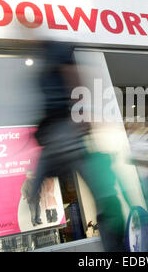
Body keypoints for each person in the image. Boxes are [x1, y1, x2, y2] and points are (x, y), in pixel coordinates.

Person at [30, 40, 126, 251]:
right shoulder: (50, 69)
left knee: (104, 196)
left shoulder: (51, 67)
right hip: (63, 133)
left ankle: (115, 242)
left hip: (62, 133)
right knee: (105, 197)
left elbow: (71, 78)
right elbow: (72, 78)